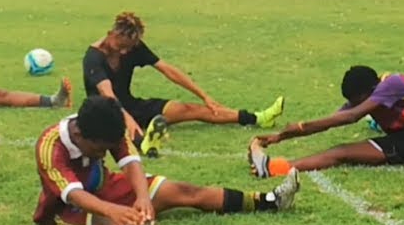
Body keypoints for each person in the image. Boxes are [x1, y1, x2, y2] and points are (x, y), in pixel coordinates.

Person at [33, 96, 301, 225]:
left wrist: (142, 197)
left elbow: (131, 163)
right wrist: (114, 210)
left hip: (107, 187)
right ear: (80, 134)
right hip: (67, 208)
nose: (105, 154)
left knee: (183, 190)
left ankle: (270, 201)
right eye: (100, 149)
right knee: (106, 223)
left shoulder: (107, 128)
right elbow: (74, 195)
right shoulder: (50, 146)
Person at [248, 65, 404, 204]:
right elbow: (329, 122)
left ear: (368, 91)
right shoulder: (365, 97)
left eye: (356, 100)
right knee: (340, 152)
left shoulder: (393, 83)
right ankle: (273, 168)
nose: (354, 105)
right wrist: (281, 136)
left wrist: (298, 126)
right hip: (399, 141)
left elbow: (350, 116)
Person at [83, 12, 285, 157]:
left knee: (191, 109)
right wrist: (128, 120)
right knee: (116, 131)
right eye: (121, 47)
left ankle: (259, 118)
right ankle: (143, 145)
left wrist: (204, 96)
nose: (125, 52)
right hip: (105, 113)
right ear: (111, 34)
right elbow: (108, 95)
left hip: (132, 105)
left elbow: (168, 70)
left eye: (129, 48)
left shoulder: (133, 47)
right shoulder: (93, 58)